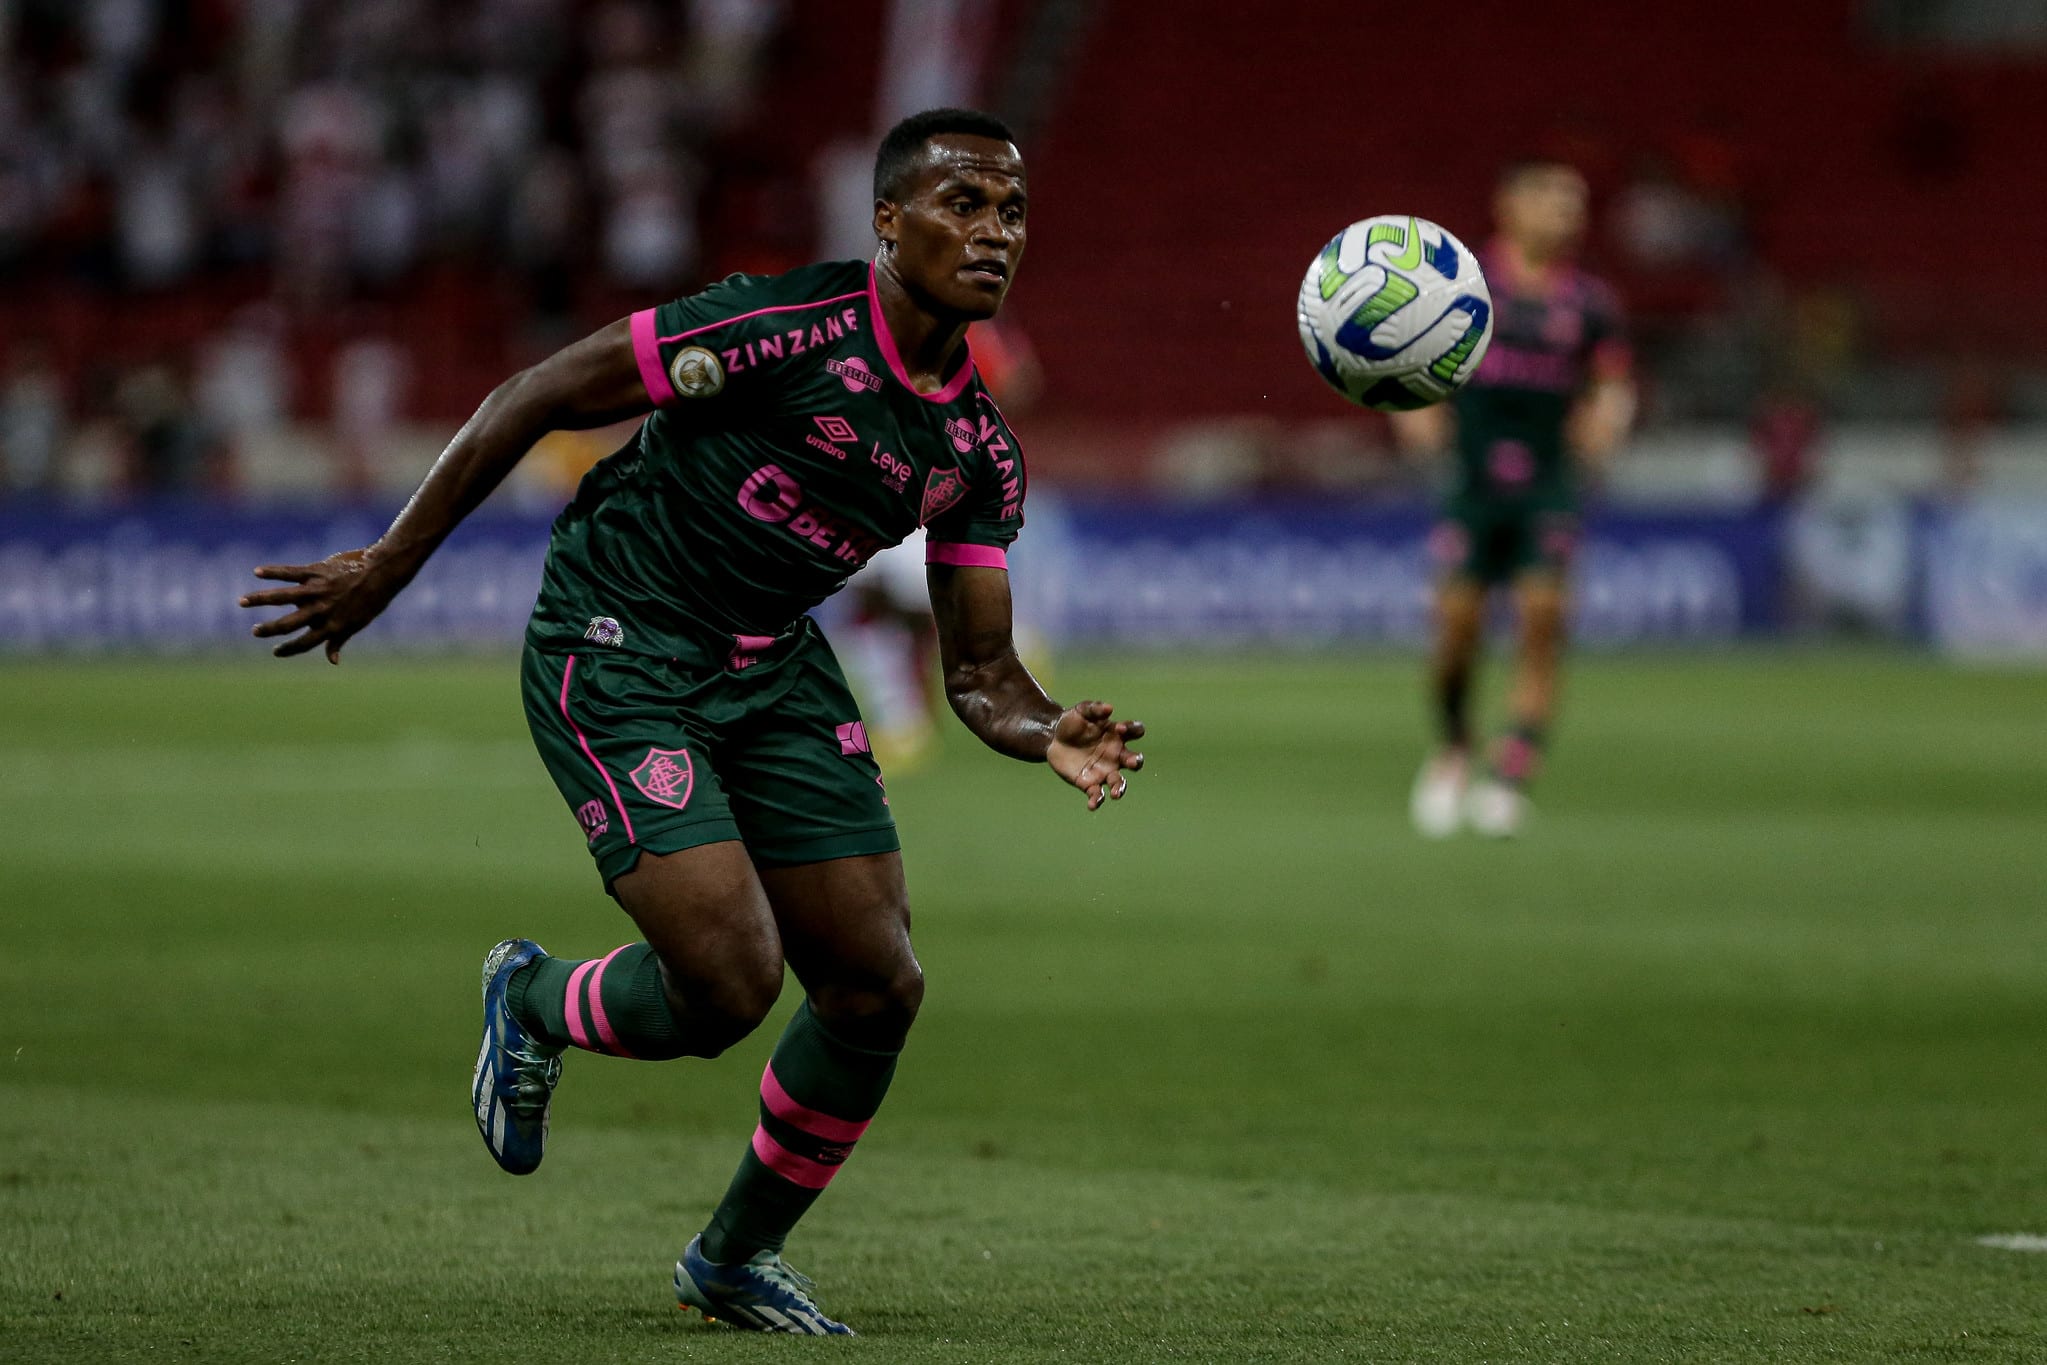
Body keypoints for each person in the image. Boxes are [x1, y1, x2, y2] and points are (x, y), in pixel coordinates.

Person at [239, 108, 1145, 1335]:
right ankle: (536, 999)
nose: (994, 234)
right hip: (617, 642)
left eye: (1012, 212)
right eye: (962, 205)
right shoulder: (777, 328)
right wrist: (391, 567)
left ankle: (732, 1258)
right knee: (728, 983)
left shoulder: (977, 452)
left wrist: (1046, 731)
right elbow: (536, 392)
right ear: (887, 223)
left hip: (772, 665)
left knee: (876, 985)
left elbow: (979, 672)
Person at [1391, 158, 1635, 838]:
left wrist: (1609, 415)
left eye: (1576, 201)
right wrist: (1412, 414)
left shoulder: (1589, 303)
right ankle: (1453, 745)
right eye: (1554, 199)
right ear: (1509, 206)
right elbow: (1405, 369)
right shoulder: (1459, 290)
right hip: (1469, 483)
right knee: (1457, 631)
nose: (1569, 213)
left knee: (1540, 617)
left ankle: (1510, 771)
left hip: (1548, 485)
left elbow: (1610, 381)